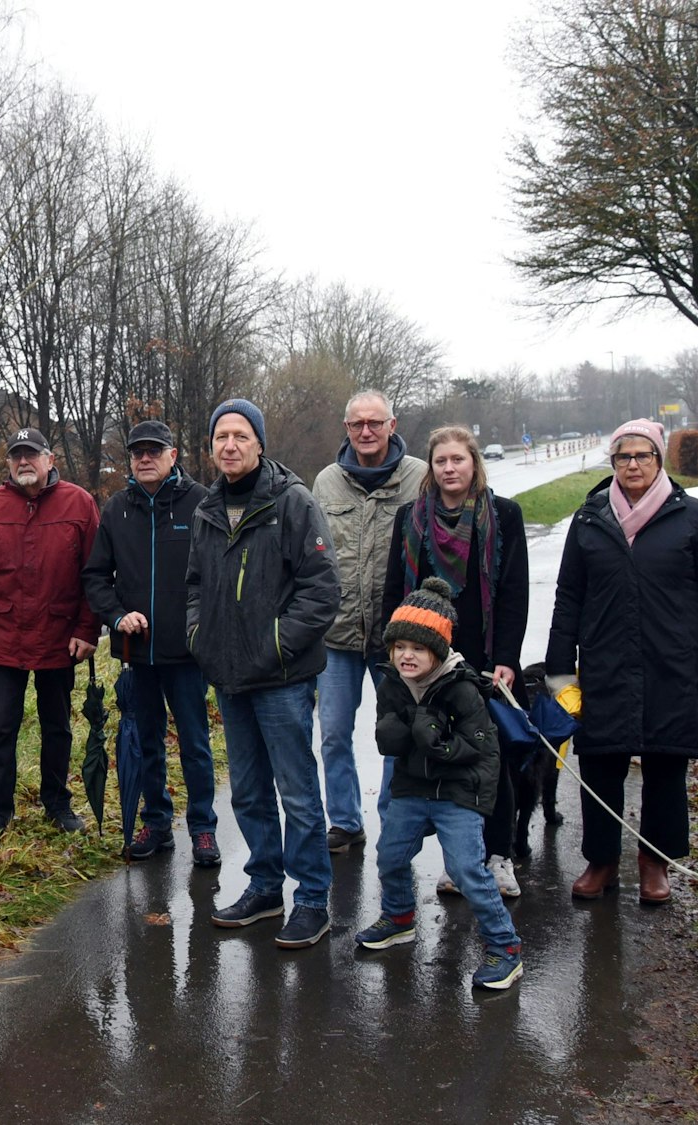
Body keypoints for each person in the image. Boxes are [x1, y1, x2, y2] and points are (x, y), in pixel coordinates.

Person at [545, 419, 698, 904]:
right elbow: (569, 596)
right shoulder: (589, 521)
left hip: (672, 662)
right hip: (606, 660)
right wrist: (559, 666)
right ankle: (602, 860)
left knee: (666, 765)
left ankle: (655, 862)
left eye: (642, 455)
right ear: (612, 463)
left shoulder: (693, 517)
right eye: (623, 457)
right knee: (602, 762)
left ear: (659, 460)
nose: (632, 465)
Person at [186, 398, 341, 946]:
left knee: (297, 793)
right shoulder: (207, 509)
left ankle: (312, 899)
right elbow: (195, 587)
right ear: (211, 447)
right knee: (249, 792)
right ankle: (265, 887)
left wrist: (275, 645)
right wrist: (198, 637)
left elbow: (323, 590)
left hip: (281, 678)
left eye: (240, 436)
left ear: (259, 444)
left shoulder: (291, 502)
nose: (229, 445)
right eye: (220, 437)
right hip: (228, 677)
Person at [356, 578, 524, 990]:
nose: (406, 656)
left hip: (458, 790)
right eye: (399, 648)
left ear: (438, 650)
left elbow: (482, 746)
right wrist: (407, 730)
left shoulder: (463, 687)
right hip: (413, 788)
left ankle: (506, 947)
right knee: (390, 856)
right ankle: (398, 918)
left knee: (468, 870)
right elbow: (386, 737)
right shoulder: (392, 684)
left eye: (417, 648)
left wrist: (439, 741)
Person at [384, 425, 528, 898]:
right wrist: (399, 657)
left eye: (458, 460)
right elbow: (394, 593)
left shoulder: (503, 515)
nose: (449, 469)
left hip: (486, 663)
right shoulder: (410, 519)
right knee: (445, 763)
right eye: (441, 461)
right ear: (431, 466)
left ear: (474, 464)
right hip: (431, 667)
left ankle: (498, 856)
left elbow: (513, 594)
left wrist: (506, 658)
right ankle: (458, 861)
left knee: (492, 762)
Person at [83, 419, 220, 867]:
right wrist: (119, 616)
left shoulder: (201, 503)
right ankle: (156, 821)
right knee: (145, 740)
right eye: (137, 451)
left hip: (187, 653)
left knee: (196, 744)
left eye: (154, 450)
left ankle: (203, 829)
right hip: (136, 653)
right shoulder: (117, 510)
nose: (145, 458)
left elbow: (217, 573)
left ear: (173, 455)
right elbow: (96, 578)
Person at [0, 427, 102, 843]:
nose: (24, 462)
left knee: (57, 725)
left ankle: (58, 803)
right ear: (8, 464)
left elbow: (94, 575)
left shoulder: (79, 504)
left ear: (50, 459)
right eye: (16, 456)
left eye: (32, 455)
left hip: (60, 638)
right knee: (0, 726)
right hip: (4, 638)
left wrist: (87, 629)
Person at [311, 389, 428, 854]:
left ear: (392, 425)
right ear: (346, 428)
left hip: (396, 639)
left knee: (397, 735)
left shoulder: (419, 478)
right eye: (358, 423)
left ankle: (393, 821)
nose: (366, 431)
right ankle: (345, 820)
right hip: (336, 636)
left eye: (375, 423)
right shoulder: (326, 482)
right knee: (334, 734)